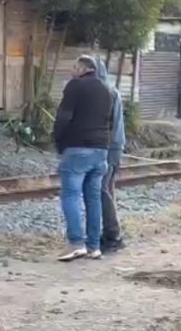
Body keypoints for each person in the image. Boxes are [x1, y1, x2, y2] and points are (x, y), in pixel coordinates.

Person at [53, 55, 112, 262]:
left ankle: (76, 243)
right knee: (93, 198)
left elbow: (63, 117)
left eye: (74, 66)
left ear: (82, 68)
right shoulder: (106, 90)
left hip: (78, 148)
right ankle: (94, 246)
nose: (71, 70)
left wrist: (58, 141)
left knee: (70, 195)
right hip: (101, 151)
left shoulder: (75, 86)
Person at [94, 56, 126, 253]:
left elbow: (109, 124)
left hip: (109, 147)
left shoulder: (107, 93)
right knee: (107, 189)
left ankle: (113, 236)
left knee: (101, 189)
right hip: (114, 146)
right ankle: (111, 233)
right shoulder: (108, 91)